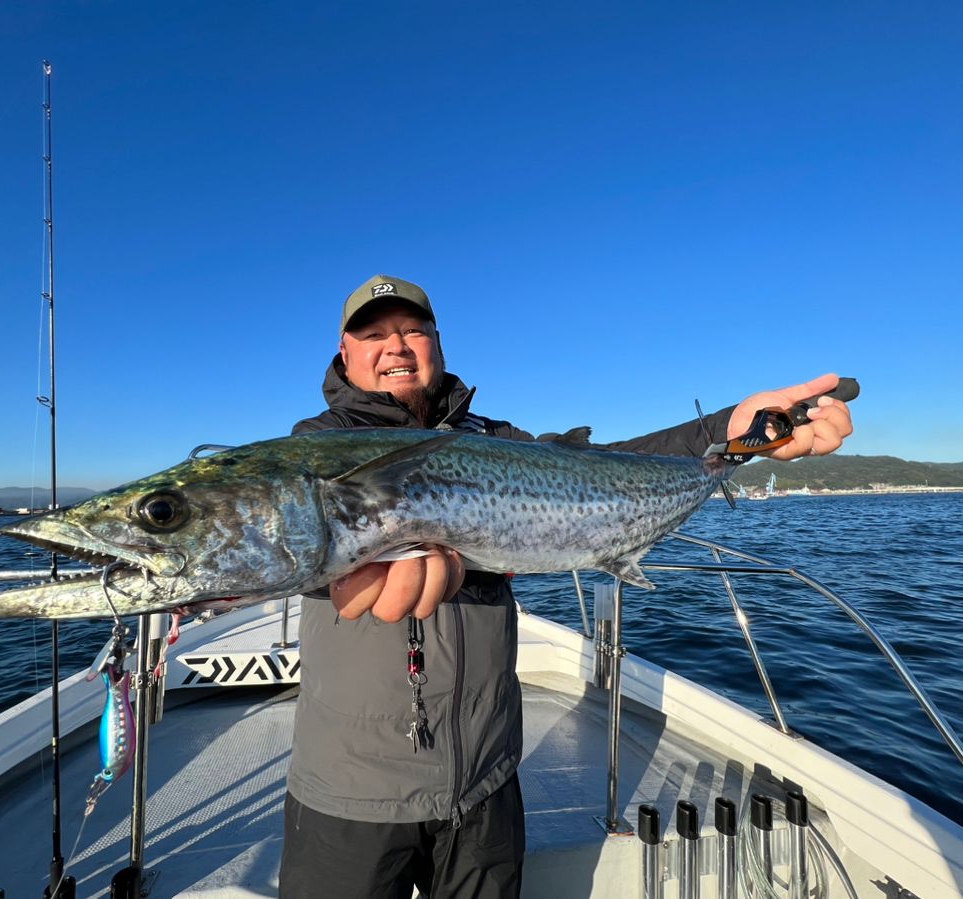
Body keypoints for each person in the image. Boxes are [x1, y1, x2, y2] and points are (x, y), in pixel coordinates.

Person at [278, 274, 854, 898]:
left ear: (437, 342)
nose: (396, 345)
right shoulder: (316, 451)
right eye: (374, 334)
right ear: (345, 351)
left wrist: (729, 437)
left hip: (485, 778)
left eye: (413, 329)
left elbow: (598, 471)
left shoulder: (493, 442)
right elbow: (300, 544)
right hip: (352, 788)